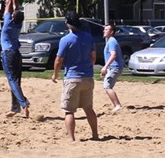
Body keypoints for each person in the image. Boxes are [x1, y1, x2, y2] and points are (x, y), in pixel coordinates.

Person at [51, 11, 98, 141]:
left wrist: (55, 74)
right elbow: (93, 57)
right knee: (89, 108)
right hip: (87, 77)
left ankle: (71, 138)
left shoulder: (65, 40)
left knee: (69, 111)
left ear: (67, 23)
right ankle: (95, 135)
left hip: (72, 77)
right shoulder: (88, 37)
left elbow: (58, 60)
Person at [0, 0, 29, 118]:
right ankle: (15, 107)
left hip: (8, 54)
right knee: (16, 81)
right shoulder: (18, 23)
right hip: (17, 54)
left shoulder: (8, 23)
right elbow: (15, 7)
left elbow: (8, 4)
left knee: (12, 80)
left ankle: (23, 102)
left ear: (12, 17)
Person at [100, 23, 125, 113]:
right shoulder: (111, 41)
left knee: (107, 86)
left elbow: (113, 55)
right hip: (113, 68)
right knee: (108, 86)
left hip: (114, 68)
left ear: (111, 32)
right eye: (104, 29)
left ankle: (118, 105)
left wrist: (105, 67)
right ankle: (116, 105)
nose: (104, 31)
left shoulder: (111, 41)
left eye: (106, 29)